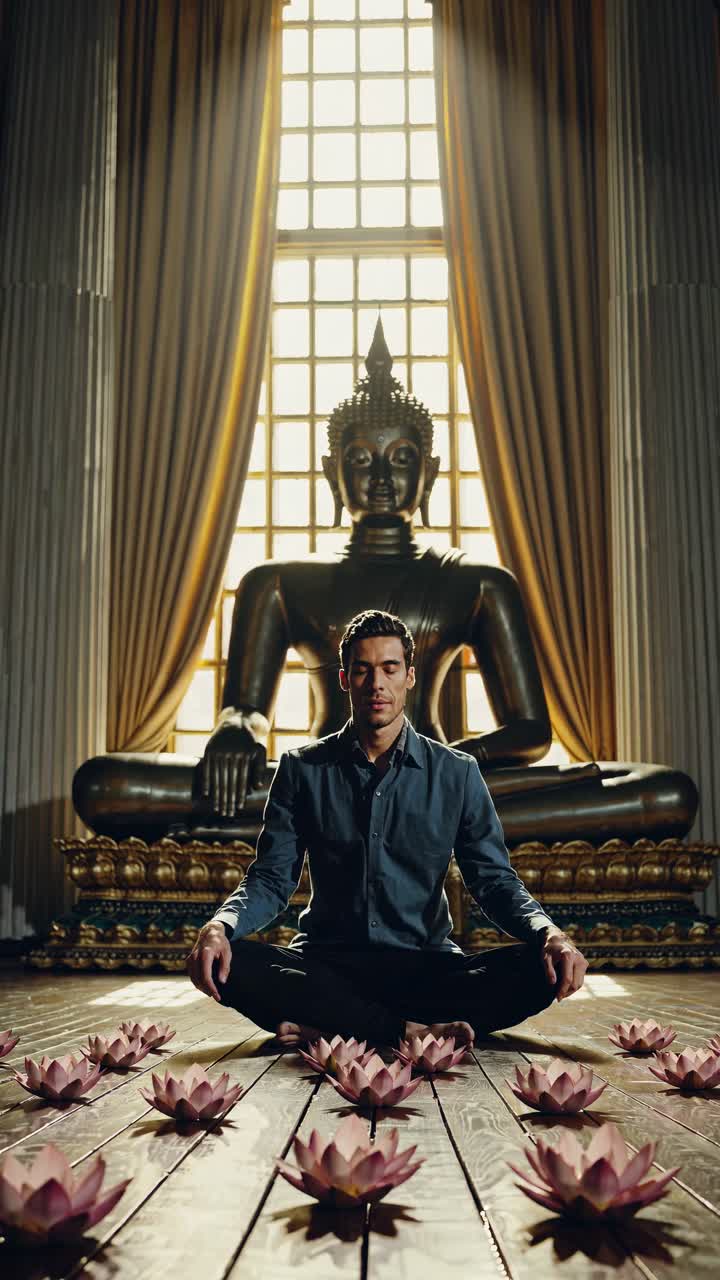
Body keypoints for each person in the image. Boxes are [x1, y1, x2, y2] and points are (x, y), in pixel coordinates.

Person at [186, 609, 588, 1050]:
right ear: (345, 680)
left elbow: (493, 881)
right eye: (363, 670)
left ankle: (339, 1027)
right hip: (327, 966)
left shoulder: (457, 772)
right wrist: (220, 926)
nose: (376, 683)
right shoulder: (302, 769)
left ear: (409, 677)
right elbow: (271, 879)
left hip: (426, 970)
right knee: (230, 961)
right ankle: (403, 1030)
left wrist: (549, 933)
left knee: (544, 967)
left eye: (390, 668)